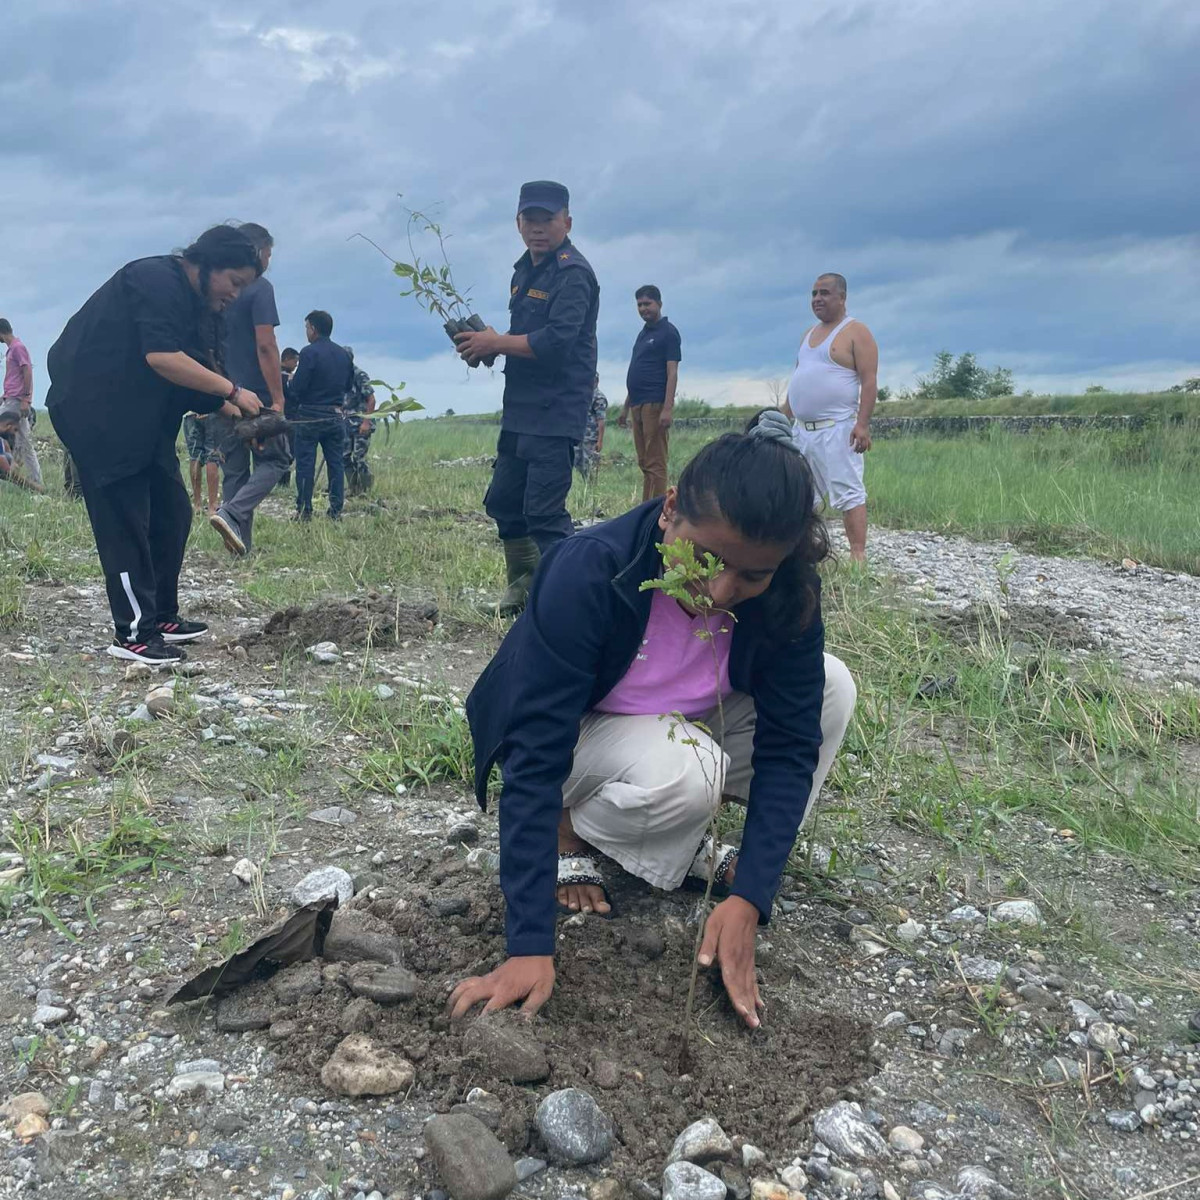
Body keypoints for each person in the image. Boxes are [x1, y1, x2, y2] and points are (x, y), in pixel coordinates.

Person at [452, 411, 856, 1027]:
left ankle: (691, 847)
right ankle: (572, 830)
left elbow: (792, 743)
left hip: (679, 732)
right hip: (580, 744)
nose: (718, 591)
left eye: (751, 574)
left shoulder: (786, 591)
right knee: (693, 767)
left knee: (832, 686)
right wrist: (528, 945)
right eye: (706, 558)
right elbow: (535, 755)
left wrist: (751, 891)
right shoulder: (589, 569)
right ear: (669, 509)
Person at [46, 225, 263, 664]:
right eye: (234, 283)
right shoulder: (154, 280)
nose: (236, 295)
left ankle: (162, 615)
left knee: (172, 512)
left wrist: (227, 406)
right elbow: (161, 357)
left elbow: (185, 370)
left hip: (141, 418)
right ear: (204, 264)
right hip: (98, 415)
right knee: (125, 523)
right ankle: (133, 636)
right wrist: (233, 392)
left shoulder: (194, 306)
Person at [453, 180, 600, 617]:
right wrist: (482, 347)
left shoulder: (574, 274)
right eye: (530, 220)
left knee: (544, 512)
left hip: (556, 411)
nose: (539, 229)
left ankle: (568, 604)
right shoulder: (523, 272)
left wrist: (496, 342)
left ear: (567, 222)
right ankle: (522, 589)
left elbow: (557, 341)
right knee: (504, 501)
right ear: (518, 223)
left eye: (548, 220)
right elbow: (522, 339)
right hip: (520, 407)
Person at [782, 273, 878, 562]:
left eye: (824, 293)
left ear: (841, 298)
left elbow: (870, 381)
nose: (817, 299)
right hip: (802, 432)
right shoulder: (807, 335)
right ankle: (801, 553)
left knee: (848, 493)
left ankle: (858, 557)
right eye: (813, 294)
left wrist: (862, 425)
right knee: (800, 495)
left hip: (837, 429)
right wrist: (780, 418)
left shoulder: (856, 331)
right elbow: (798, 380)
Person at [209, 223, 290, 556]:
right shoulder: (260, 288)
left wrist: (220, 392)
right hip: (256, 396)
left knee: (235, 468)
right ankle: (231, 512)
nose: (269, 261)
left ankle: (238, 545)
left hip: (224, 390)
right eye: (269, 253)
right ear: (257, 252)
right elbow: (266, 345)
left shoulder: (217, 290)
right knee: (278, 460)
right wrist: (278, 398)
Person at [619, 285, 681, 501]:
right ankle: (645, 509)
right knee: (644, 462)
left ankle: (657, 512)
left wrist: (667, 408)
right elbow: (637, 370)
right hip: (637, 403)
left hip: (655, 404)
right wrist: (625, 407)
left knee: (656, 462)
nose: (643, 308)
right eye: (639, 305)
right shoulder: (643, 334)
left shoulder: (669, 333)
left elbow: (672, 373)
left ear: (659, 304)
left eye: (647, 304)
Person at [290, 310, 353, 522]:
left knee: (305, 464)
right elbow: (348, 386)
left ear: (313, 329)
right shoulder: (344, 354)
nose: (306, 332)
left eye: (307, 327)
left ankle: (305, 510)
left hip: (309, 415)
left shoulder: (308, 353)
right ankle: (335, 511)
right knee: (336, 464)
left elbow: (298, 387)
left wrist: (291, 385)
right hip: (335, 416)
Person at [0, 318, 43, 489]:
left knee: (23, 441)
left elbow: (27, 370)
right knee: (24, 441)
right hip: (11, 398)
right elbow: (15, 376)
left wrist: (26, 398)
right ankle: (35, 481)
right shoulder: (12, 350)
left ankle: (31, 479)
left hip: (17, 400)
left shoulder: (18, 348)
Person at [341, 347, 377, 497]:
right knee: (344, 456)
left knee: (359, 457)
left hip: (361, 422)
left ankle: (365, 489)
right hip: (346, 423)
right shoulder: (340, 376)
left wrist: (366, 422)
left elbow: (371, 399)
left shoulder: (359, 375)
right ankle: (353, 488)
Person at [182, 412, 221, 514]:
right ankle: (212, 506)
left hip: (190, 413)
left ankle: (197, 504)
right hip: (212, 410)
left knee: (195, 456)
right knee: (212, 456)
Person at [574, 375, 608, 479]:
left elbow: (601, 421)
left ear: (596, 381)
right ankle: (585, 485)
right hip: (580, 435)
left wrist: (600, 441)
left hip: (591, 437)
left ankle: (591, 488)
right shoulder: (584, 395)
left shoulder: (599, 397)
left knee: (590, 464)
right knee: (577, 462)